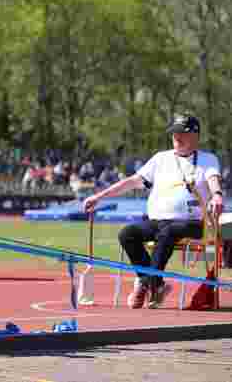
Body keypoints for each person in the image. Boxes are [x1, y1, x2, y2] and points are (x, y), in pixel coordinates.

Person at [84, 114, 224, 309]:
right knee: (128, 234)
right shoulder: (160, 159)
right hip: (158, 221)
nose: (176, 137)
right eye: (173, 133)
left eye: (180, 132)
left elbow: (213, 180)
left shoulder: (208, 159)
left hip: (193, 223)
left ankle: (145, 284)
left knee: (170, 231)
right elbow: (131, 182)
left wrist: (217, 195)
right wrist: (98, 197)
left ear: (195, 135)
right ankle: (155, 284)